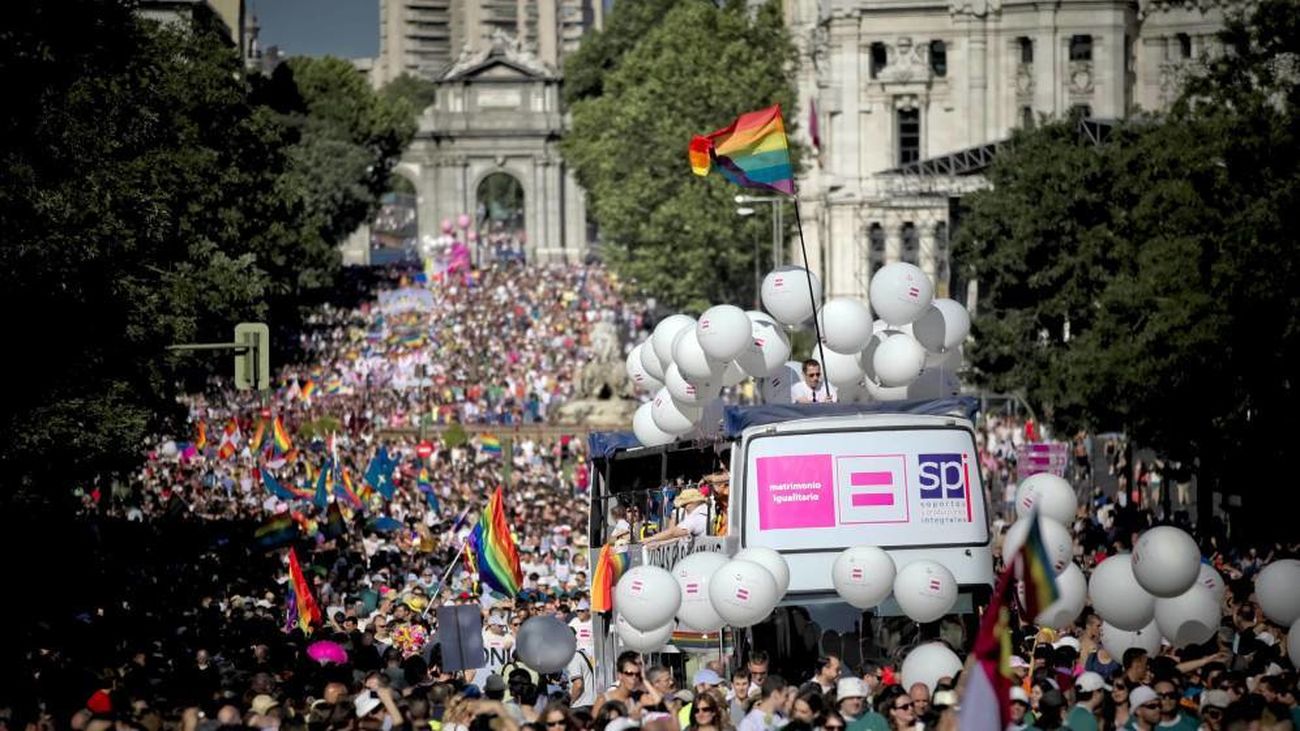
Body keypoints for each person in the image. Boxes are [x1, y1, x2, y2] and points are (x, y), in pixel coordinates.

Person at [642, 488, 711, 546]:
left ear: (689, 505)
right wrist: (660, 543)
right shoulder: (704, 513)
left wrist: (651, 539)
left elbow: (674, 532)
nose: (683, 508)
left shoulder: (697, 517)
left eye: (684, 505)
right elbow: (682, 537)